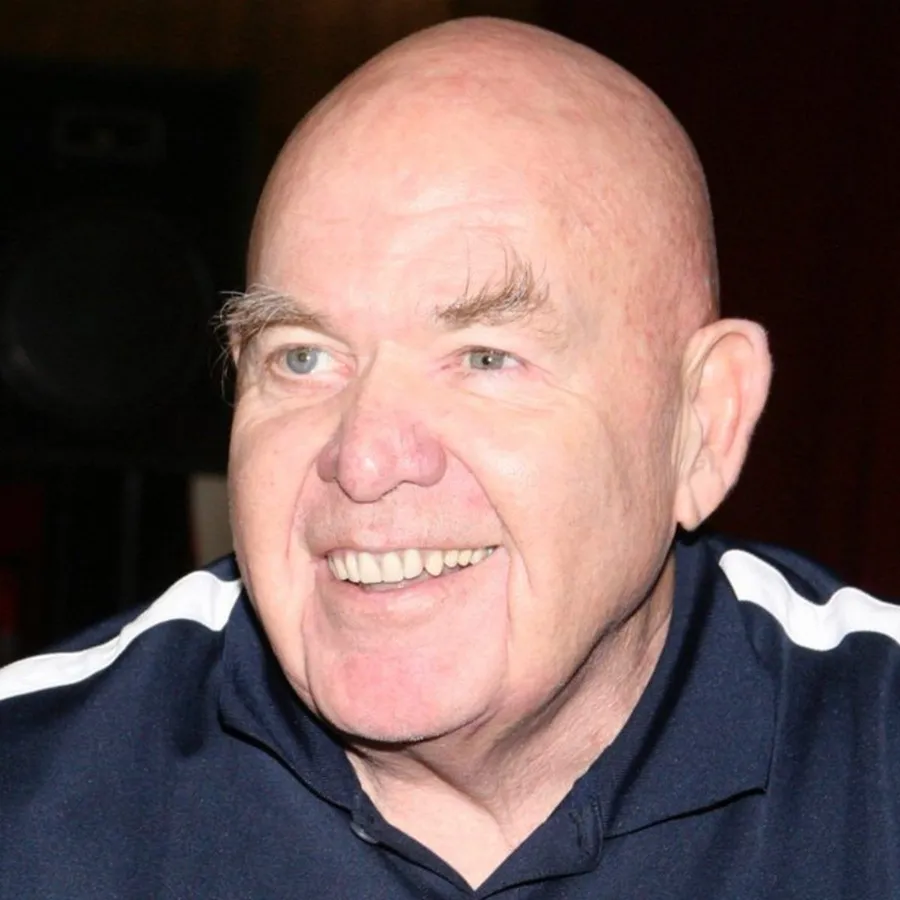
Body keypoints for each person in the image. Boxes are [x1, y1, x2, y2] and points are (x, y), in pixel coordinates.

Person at [1, 16, 898, 899]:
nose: (363, 461)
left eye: (486, 358)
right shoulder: (30, 800)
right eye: (302, 356)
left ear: (703, 423)